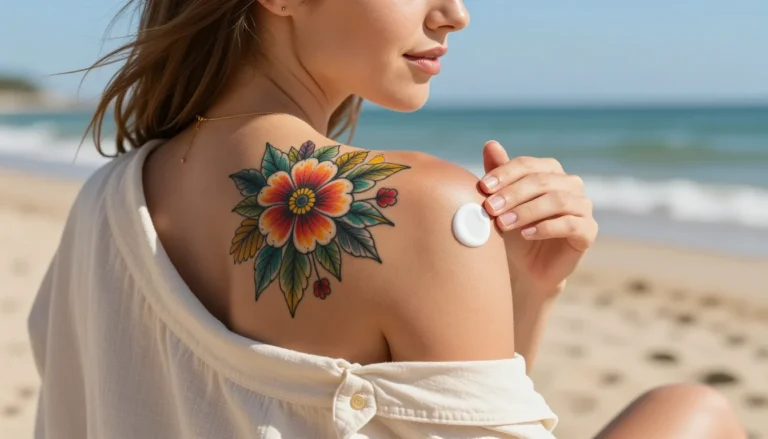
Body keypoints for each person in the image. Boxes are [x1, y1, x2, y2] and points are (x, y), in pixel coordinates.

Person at [28, 0, 746, 438]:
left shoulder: (105, 202)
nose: (455, 12)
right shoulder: (421, 210)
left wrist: (527, 289)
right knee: (694, 411)